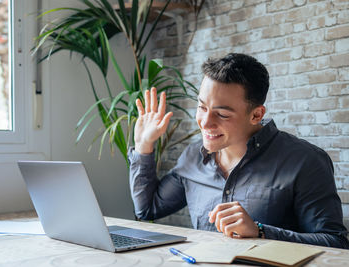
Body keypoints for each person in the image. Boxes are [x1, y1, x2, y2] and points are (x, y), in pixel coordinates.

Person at [128, 53, 349, 249]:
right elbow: (148, 209)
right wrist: (143, 145)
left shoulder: (305, 161)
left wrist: (261, 232)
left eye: (222, 114)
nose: (205, 122)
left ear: (256, 115)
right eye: (202, 107)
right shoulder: (192, 157)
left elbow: (336, 243)